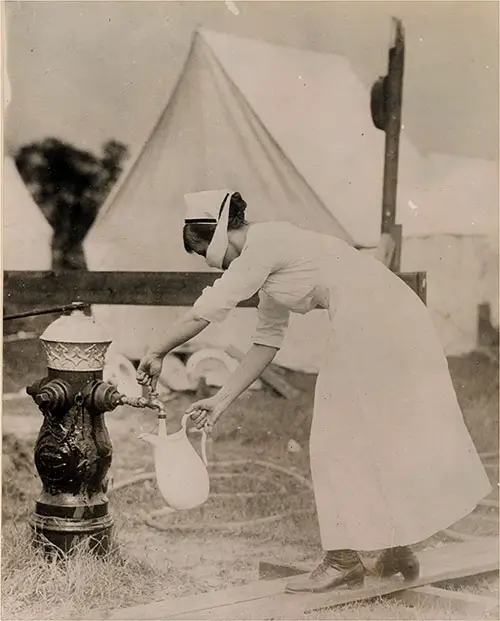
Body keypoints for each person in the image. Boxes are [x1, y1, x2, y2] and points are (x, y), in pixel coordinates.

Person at [137, 189, 491, 594]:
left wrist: (156, 349)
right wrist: (221, 398)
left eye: (203, 252)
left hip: (374, 315)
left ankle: (342, 560)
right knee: (376, 433)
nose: (208, 263)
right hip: (392, 312)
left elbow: (207, 310)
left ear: (218, 235)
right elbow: (267, 341)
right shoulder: (272, 260)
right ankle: (391, 546)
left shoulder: (262, 247)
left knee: (334, 436)